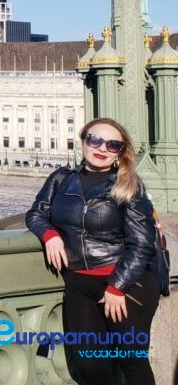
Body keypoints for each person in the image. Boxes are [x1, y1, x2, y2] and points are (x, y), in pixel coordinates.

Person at [25, 117, 160, 385]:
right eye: (95, 139)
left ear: (120, 152)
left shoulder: (129, 186)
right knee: (89, 365)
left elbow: (142, 244)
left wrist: (116, 287)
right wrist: (50, 235)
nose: (101, 148)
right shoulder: (61, 179)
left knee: (132, 362)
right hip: (79, 283)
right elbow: (35, 214)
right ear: (84, 140)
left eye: (112, 144)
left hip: (125, 285)